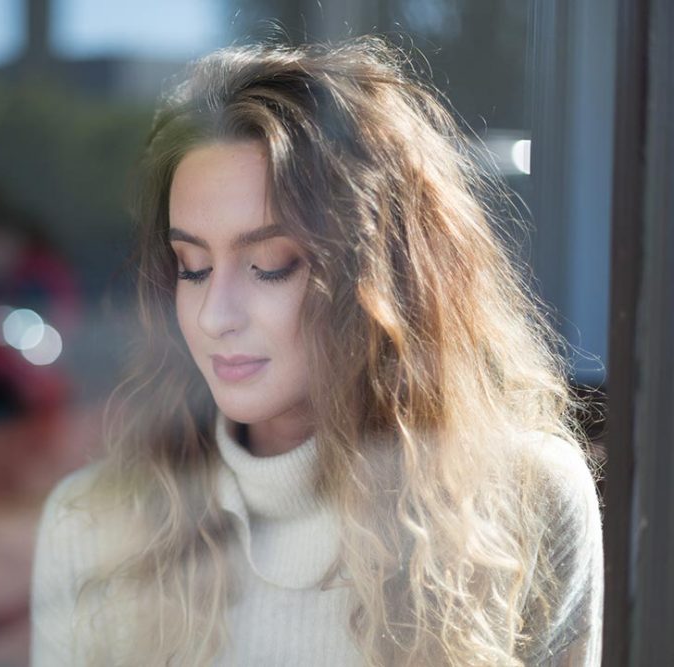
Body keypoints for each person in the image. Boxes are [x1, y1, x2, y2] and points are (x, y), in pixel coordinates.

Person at [30, 37, 603, 666]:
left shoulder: (524, 498)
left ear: (380, 276)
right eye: (192, 267)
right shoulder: (91, 526)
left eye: (270, 265)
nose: (214, 316)